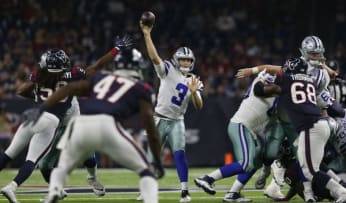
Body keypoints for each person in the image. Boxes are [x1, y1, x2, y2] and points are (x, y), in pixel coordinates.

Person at [23, 46, 164, 203]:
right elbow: (150, 127)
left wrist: (41, 109)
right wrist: (157, 160)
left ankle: (55, 189)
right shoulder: (143, 88)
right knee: (146, 171)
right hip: (107, 124)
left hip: (80, 125)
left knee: (62, 168)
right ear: (138, 67)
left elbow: (70, 88)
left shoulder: (100, 77)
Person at [0, 36, 131, 203]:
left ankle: (92, 177)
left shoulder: (39, 74)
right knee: (44, 165)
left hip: (65, 115)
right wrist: (116, 49)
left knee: (85, 150)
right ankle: (56, 189)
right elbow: (96, 66)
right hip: (53, 120)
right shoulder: (72, 74)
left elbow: (21, 90)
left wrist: (36, 94)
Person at [253, 60, 346, 203]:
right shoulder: (311, 81)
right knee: (308, 167)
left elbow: (259, 91)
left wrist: (261, 79)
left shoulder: (287, 79)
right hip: (321, 123)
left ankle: (342, 192)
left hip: (310, 126)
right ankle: (341, 188)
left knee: (309, 171)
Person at [140, 18, 203, 202]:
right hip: (159, 118)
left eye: (188, 60)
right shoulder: (167, 70)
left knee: (179, 153)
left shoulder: (194, 80)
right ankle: (146, 191)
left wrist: (194, 93)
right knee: (151, 158)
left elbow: (199, 106)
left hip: (177, 121)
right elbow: (153, 57)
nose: (185, 62)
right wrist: (147, 34)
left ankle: (184, 191)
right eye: (182, 59)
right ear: (176, 59)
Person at [194, 70, 278, 202]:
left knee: (255, 162)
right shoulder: (264, 83)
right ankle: (207, 179)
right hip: (241, 125)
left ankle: (233, 193)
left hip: (250, 130)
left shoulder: (279, 95)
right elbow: (259, 89)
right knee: (245, 163)